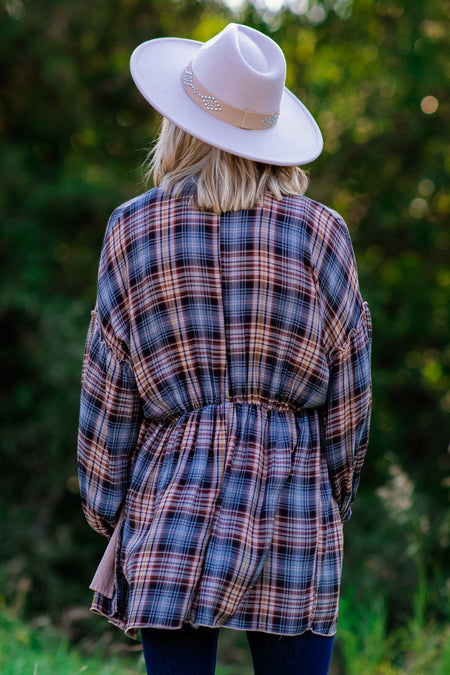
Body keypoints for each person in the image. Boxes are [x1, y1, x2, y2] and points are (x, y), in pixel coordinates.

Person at [77, 23, 372, 675]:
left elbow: (108, 390)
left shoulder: (131, 229)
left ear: (177, 125)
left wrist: (107, 505)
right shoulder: (322, 232)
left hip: (170, 499)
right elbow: (351, 398)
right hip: (296, 502)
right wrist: (330, 497)